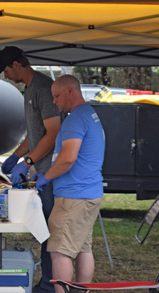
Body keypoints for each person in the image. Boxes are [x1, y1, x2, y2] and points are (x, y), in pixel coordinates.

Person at [0, 46, 62, 293]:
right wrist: (15, 156)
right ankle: (46, 282)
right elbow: (35, 135)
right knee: (44, 231)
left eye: (6, 71)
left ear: (17, 64)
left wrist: (28, 163)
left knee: (50, 234)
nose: (5, 77)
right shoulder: (29, 90)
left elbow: (53, 134)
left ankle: (49, 286)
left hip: (53, 175)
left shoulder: (43, 88)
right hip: (42, 173)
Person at [33, 75, 105, 293]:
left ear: (70, 92)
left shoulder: (75, 119)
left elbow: (68, 158)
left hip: (73, 196)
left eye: (56, 96)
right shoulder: (89, 114)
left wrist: (46, 176)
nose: (54, 101)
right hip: (88, 192)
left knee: (59, 252)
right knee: (83, 248)